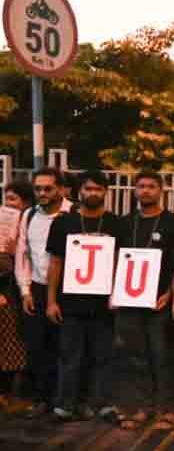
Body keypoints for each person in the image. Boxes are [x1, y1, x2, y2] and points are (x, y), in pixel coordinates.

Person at [45, 170, 123, 423]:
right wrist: (51, 300)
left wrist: (117, 294)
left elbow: (121, 262)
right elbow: (55, 263)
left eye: (98, 189)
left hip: (103, 303)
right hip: (71, 301)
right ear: (79, 192)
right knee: (70, 355)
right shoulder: (63, 222)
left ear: (105, 193)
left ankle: (103, 404)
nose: (92, 193)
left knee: (103, 356)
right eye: (88, 189)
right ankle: (65, 405)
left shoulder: (115, 223)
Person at [114, 170, 174, 431]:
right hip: (129, 301)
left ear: (161, 191)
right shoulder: (124, 223)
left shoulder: (173, 223)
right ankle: (141, 407)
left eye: (151, 187)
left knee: (162, 355)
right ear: (134, 190)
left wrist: (170, 294)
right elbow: (113, 260)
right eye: (141, 186)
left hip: (159, 301)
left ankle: (166, 409)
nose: (145, 191)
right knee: (135, 356)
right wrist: (114, 292)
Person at [15, 168, 71, 418]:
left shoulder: (74, 214)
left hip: (68, 288)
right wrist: (25, 290)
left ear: (60, 189)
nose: (42, 193)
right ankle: (41, 399)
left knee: (67, 347)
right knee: (37, 347)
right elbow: (22, 254)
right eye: (38, 189)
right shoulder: (28, 215)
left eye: (48, 188)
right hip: (37, 286)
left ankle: (66, 400)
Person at [0, 181, 33, 412]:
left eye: (14, 199)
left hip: (19, 291)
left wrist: (14, 252)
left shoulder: (31, 225)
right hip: (4, 292)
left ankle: (12, 393)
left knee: (15, 344)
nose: (8, 204)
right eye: (6, 198)